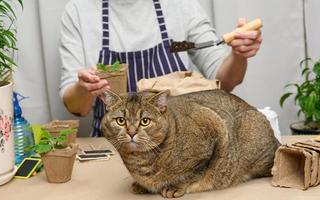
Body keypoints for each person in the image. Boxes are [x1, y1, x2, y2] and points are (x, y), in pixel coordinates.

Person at [59, 0, 263, 136]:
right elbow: (77, 107)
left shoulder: (181, 5)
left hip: (181, 145)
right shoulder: (78, 11)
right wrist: (83, 88)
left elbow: (225, 81)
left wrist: (238, 55)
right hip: (112, 146)